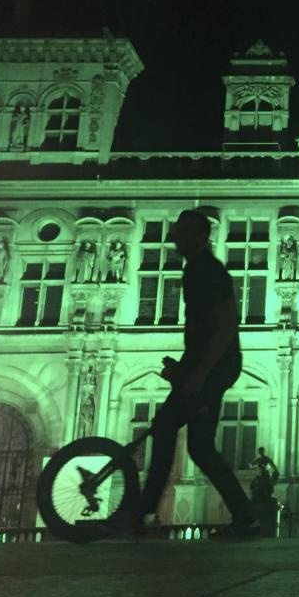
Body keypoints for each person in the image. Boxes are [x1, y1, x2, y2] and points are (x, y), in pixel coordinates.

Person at [116, 209, 258, 538]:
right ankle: (246, 518)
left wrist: (200, 373)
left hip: (212, 368)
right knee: (200, 446)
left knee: (165, 427)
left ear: (201, 236)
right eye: (176, 230)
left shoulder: (207, 270)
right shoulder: (196, 269)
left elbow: (225, 325)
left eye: (183, 231)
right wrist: (184, 368)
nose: (175, 236)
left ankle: (140, 512)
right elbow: (202, 330)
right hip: (207, 366)